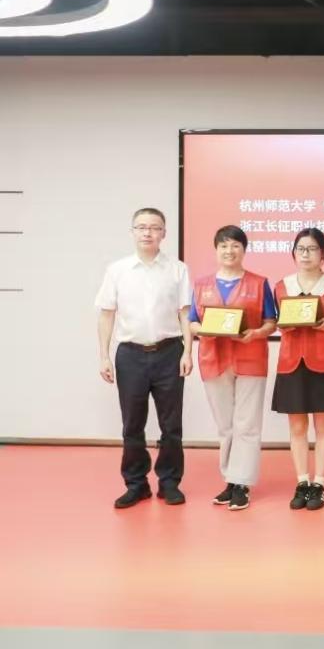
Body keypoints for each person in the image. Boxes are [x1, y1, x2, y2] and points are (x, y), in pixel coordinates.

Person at [95, 207, 193, 509]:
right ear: (132, 232)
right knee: (132, 425)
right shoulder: (117, 270)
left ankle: (169, 483)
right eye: (141, 227)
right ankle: (136, 485)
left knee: (171, 425)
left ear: (164, 233)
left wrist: (188, 352)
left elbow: (185, 314)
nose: (148, 232)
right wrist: (104, 356)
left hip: (169, 352)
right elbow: (107, 314)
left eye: (154, 227)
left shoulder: (177, 269)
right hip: (130, 355)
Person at [189, 225, 278, 511]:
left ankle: (242, 483)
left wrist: (256, 333)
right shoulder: (201, 284)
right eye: (224, 246)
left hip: (250, 357)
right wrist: (203, 329)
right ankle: (230, 479)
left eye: (235, 246)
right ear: (216, 250)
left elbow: (271, 322)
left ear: (244, 250)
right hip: (214, 358)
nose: (229, 251)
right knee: (225, 425)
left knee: (247, 424)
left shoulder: (259, 283)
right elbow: (192, 321)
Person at [271, 228, 324, 512]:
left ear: (323, 254)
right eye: (301, 249)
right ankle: (302, 481)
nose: (306, 254)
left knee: (323, 425)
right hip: (292, 361)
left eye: (313, 249)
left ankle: (320, 483)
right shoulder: (282, 286)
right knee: (297, 426)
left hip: (323, 361)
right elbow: (275, 321)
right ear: (293, 253)